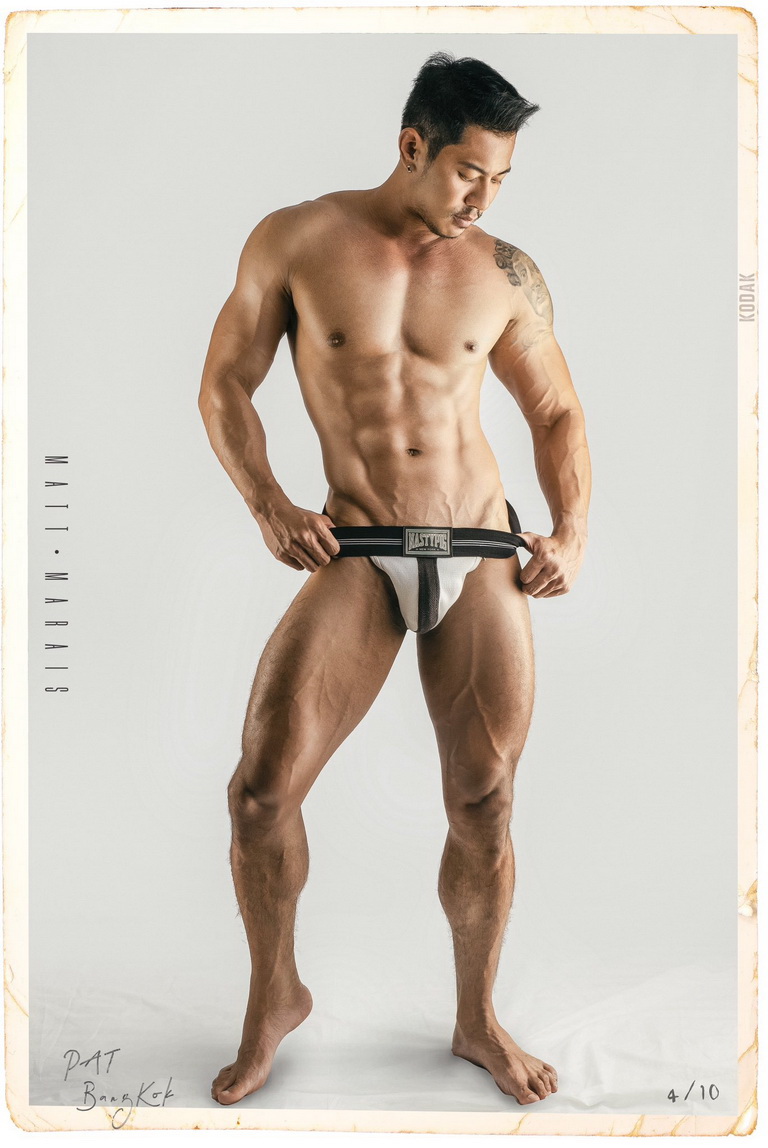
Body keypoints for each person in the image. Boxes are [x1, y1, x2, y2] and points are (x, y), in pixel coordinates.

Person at [198, 51, 591, 1107]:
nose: (484, 199)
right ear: (413, 145)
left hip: (480, 548)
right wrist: (269, 502)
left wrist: (572, 530)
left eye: (501, 179)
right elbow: (225, 382)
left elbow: (556, 409)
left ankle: (477, 1017)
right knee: (260, 791)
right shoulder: (297, 239)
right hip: (362, 546)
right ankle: (275, 993)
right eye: (469, 173)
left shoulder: (506, 271)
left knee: (486, 800)